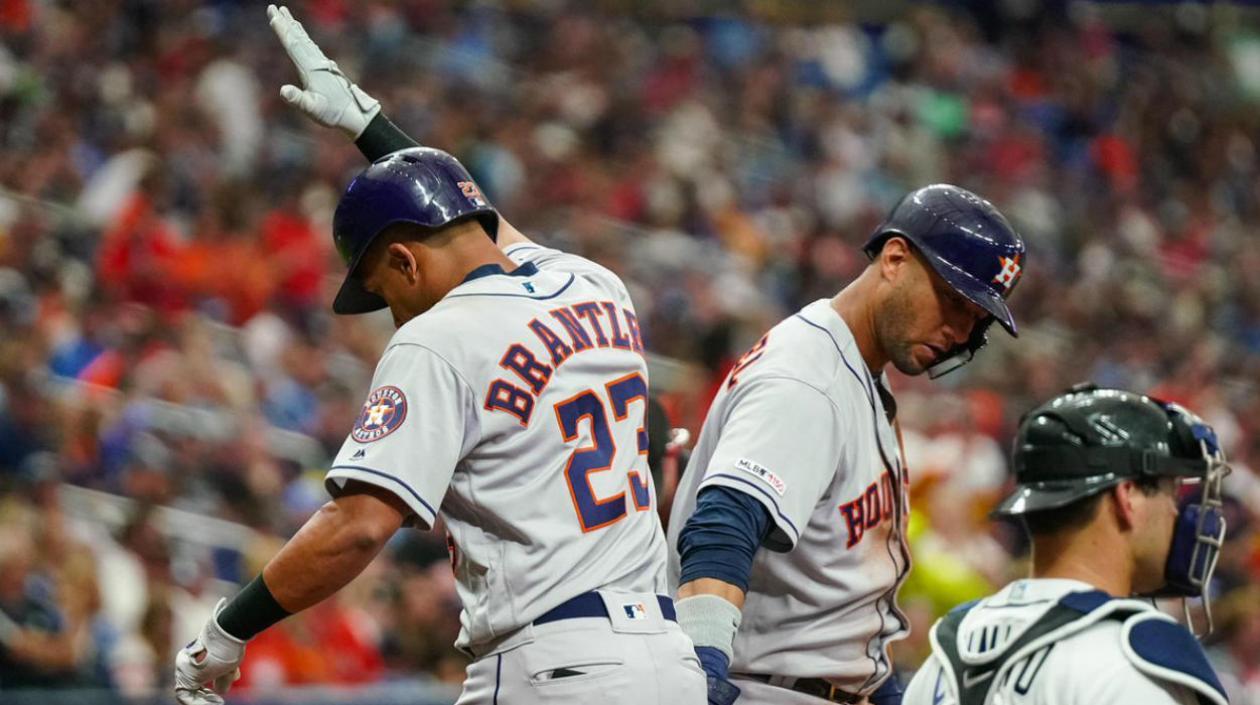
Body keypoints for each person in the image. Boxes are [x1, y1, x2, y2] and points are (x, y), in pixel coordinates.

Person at [171, 7, 707, 704]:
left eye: (382, 287)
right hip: (667, 658)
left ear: (401, 257)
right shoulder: (596, 283)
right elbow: (482, 224)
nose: (390, 310)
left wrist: (227, 628)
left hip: (554, 667)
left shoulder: (437, 338)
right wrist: (371, 129)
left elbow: (358, 525)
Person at [667, 184, 1027, 705]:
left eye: (975, 319)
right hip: (768, 689)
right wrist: (701, 670)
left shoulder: (859, 372)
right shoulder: (807, 377)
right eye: (953, 300)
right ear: (895, 258)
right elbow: (723, 524)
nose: (958, 330)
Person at [901, 384, 1231, 705]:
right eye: (1170, 493)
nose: (1175, 511)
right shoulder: (1133, 667)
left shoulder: (947, 654)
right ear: (1127, 496)